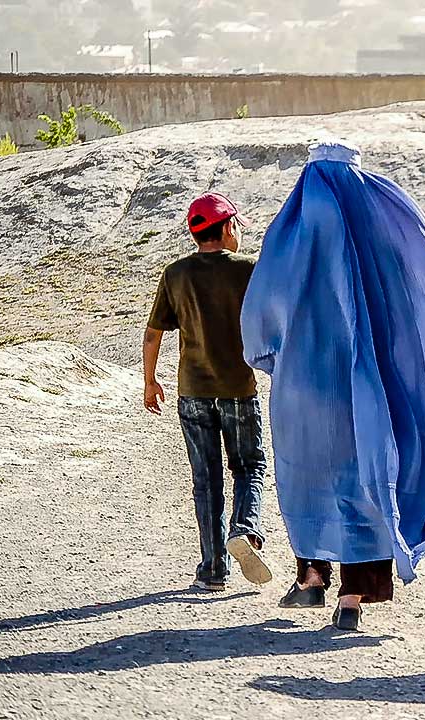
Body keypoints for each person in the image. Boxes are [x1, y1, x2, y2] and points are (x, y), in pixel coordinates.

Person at [240, 142, 425, 631]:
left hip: (305, 388)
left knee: (309, 479)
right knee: (367, 478)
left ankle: (311, 579)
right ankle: (352, 597)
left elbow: (263, 311)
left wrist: (270, 356)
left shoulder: (294, 227)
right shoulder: (383, 221)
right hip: (371, 384)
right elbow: (419, 296)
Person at [143, 192, 273, 592]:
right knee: (250, 467)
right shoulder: (250, 269)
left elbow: (153, 333)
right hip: (237, 388)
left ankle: (213, 569)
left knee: (206, 478)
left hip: (192, 392)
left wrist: (149, 381)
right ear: (228, 227)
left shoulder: (175, 274)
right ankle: (246, 529)